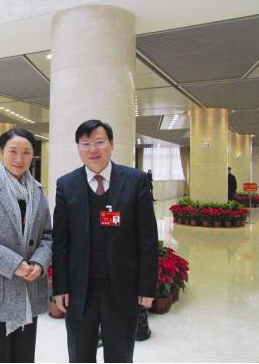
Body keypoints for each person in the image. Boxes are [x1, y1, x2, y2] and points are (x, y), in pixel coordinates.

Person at [52, 119, 159, 363]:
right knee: (79, 356)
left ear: (111, 144)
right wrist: (60, 287)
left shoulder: (135, 181)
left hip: (123, 289)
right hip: (80, 291)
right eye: (85, 144)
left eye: (99, 142)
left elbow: (148, 239)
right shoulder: (66, 185)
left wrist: (146, 287)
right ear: (78, 148)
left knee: (120, 356)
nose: (93, 149)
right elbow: (60, 242)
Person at [0, 128, 52, 363]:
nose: (19, 159)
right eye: (13, 151)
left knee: (24, 357)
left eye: (26, 152)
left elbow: (47, 236)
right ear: (2, 151)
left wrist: (39, 263)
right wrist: (15, 264)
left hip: (28, 291)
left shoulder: (38, 192)